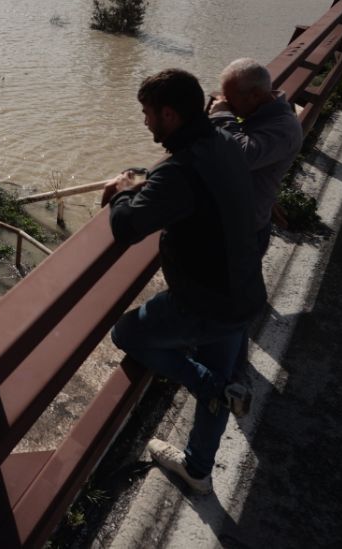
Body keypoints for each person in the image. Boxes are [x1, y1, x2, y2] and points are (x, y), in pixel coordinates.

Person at [103, 68, 265, 495]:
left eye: (147, 113)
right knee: (220, 368)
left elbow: (128, 227)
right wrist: (149, 183)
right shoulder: (224, 142)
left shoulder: (179, 171)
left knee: (126, 332)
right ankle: (197, 467)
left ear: (170, 115)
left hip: (205, 301)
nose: (144, 122)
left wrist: (122, 190)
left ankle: (212, 387)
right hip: (244, 290)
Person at [208, 58, 304, 415]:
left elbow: (241, 156)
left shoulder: (281, 126)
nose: (228, 103)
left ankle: (234, 381)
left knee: (232, 311)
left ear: (259, 94)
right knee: (230, 304)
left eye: (233, 98)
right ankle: (230, 371)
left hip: (245, 232)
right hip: (243, 223)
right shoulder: (266, 114)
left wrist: (220, 117)